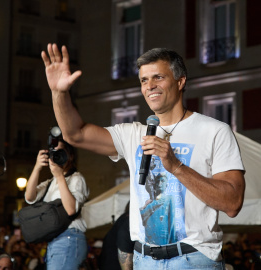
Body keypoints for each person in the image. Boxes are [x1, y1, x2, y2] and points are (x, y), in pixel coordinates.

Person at [41, 44, 245, 269]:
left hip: (193, 259)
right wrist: (59, 93)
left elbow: (233, 203)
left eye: (158, 77)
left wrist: (176, 166)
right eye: (144, 80)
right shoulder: (133, 133)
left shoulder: (214, 131)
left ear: (180, 81)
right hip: (144, 260)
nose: (150, 86)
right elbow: (75, 134)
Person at [25, 136, 89, 270]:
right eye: (54, 153)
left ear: (70, 156)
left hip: (69, 238)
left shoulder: (76, 178)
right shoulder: (51, 182)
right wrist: (37, 167)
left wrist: (60, 176)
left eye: (61, 152)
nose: (57, 156)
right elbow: (29, 197)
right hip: (57, 240)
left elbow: (71, 210)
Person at [100, 202, 134, 270]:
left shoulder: (123, 219)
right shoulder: (128, 221)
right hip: (114, 264)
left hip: (110, 261)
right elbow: (123, 241)